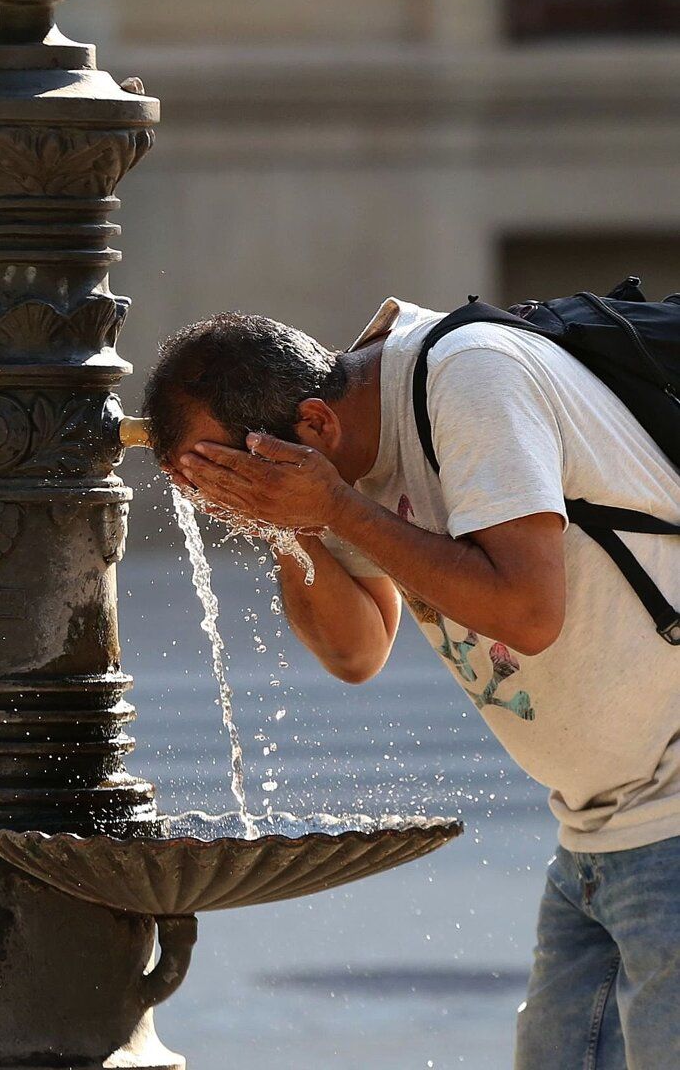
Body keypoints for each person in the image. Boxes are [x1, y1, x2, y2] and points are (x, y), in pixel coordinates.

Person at [142, 297, 680, 1070]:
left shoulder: (470, 381)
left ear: (317, 425)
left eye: (235, 476)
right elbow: (356, 648)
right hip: (599, 829)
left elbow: (528, 613)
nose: (233, 502)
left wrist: (333, 507)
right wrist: (293, 524)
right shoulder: (342, 447)